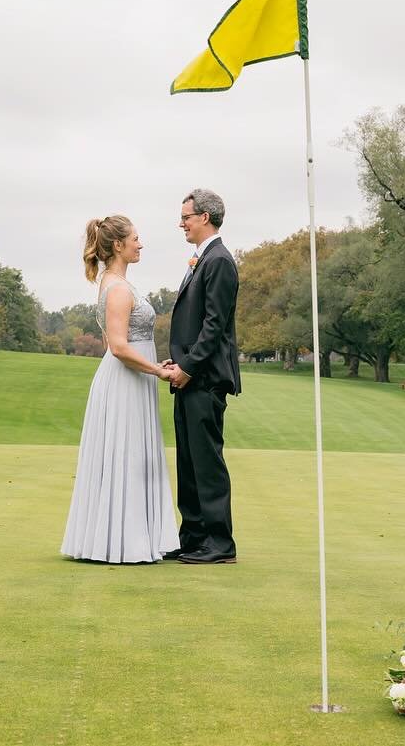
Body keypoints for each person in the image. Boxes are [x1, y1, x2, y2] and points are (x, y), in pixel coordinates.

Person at [60, 215, 180, 564]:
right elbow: (117, 346)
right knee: (125, 454)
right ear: (118, 245)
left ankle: (138, 536)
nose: (140, 244)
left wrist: (156, 367)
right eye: (136, 239)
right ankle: (120, 542)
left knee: (135, 455)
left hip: (134, 380)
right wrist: (158, 370)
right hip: (125, 380)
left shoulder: (117, 284)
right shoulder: (116, 288)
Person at [162, 188, 243, 564]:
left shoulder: (220, 261)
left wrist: (189, 367)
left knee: (206, 462)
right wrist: (177, 364)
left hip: (205, 378)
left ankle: (220, 543)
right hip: (189, 376)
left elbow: (214, 325)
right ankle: (193, 536)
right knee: (189, 461)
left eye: (186, 217)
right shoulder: (202, 259)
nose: (182, 224)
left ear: (205, 218)